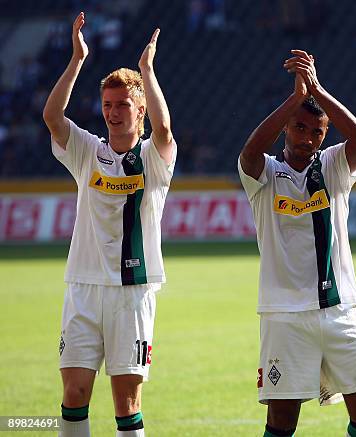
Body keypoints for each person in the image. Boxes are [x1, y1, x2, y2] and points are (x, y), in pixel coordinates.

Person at [42, 12, 176, 437]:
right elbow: (52, 117)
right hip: (83, 287)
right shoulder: (86, 151)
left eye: (123, 105)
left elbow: (166, 129)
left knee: (126, 399)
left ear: (140, 110)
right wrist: (77, 59)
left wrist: (147, 72)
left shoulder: (154, 159)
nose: (113, 113)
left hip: (133, 293)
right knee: (75, 392)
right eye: (107, 105)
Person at [239, 49, 356, 437]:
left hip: (340, 308)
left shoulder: (334, 166)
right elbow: (250, 151)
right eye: (299, 127)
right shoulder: (266, 173)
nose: (307, 137)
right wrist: (293, 100)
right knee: (283, 419)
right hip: (284, 313)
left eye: (316, 131)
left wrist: (315, 88)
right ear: (287, 127)